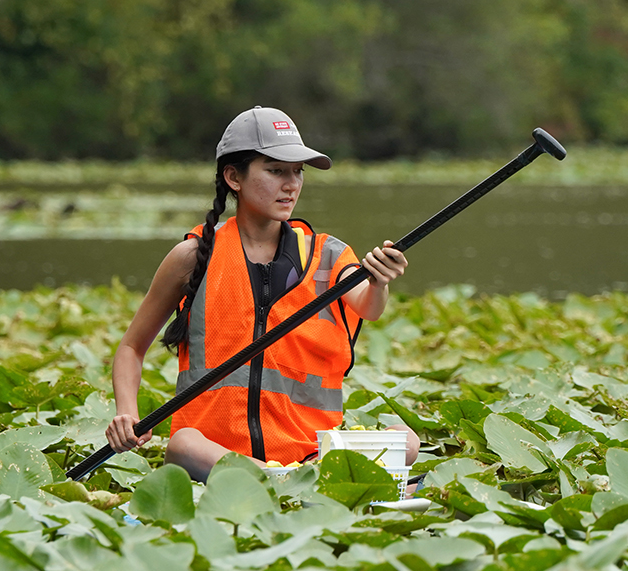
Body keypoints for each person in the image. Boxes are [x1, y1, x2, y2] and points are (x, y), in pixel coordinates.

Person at [104, 106, 419, 480]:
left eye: (298, 172)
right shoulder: (193, 257)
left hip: (310, 452)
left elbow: (368, 304)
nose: (291, 185)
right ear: (233, 177)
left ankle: (289, 476)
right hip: (215, 455)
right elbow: (130, 348)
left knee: (407, 440)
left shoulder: (329, 254)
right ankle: (278, 478)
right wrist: (128, 412)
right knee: (183, 443)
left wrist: (380, 280)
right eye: (275, 170)